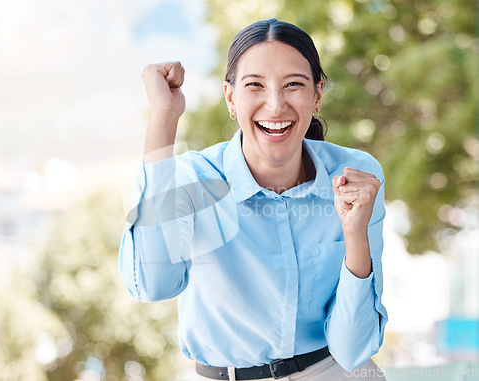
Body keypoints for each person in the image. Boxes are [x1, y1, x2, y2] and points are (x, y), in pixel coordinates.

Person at [119, 18, 388, 381]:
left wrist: (354, 234)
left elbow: (353, 348)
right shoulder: (194, 180)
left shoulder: (355, 174)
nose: (275, 106)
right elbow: (154, 284)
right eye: (255, 86)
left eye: (294, 85)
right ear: (230, 97)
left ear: (317, 95)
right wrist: (164, 120)